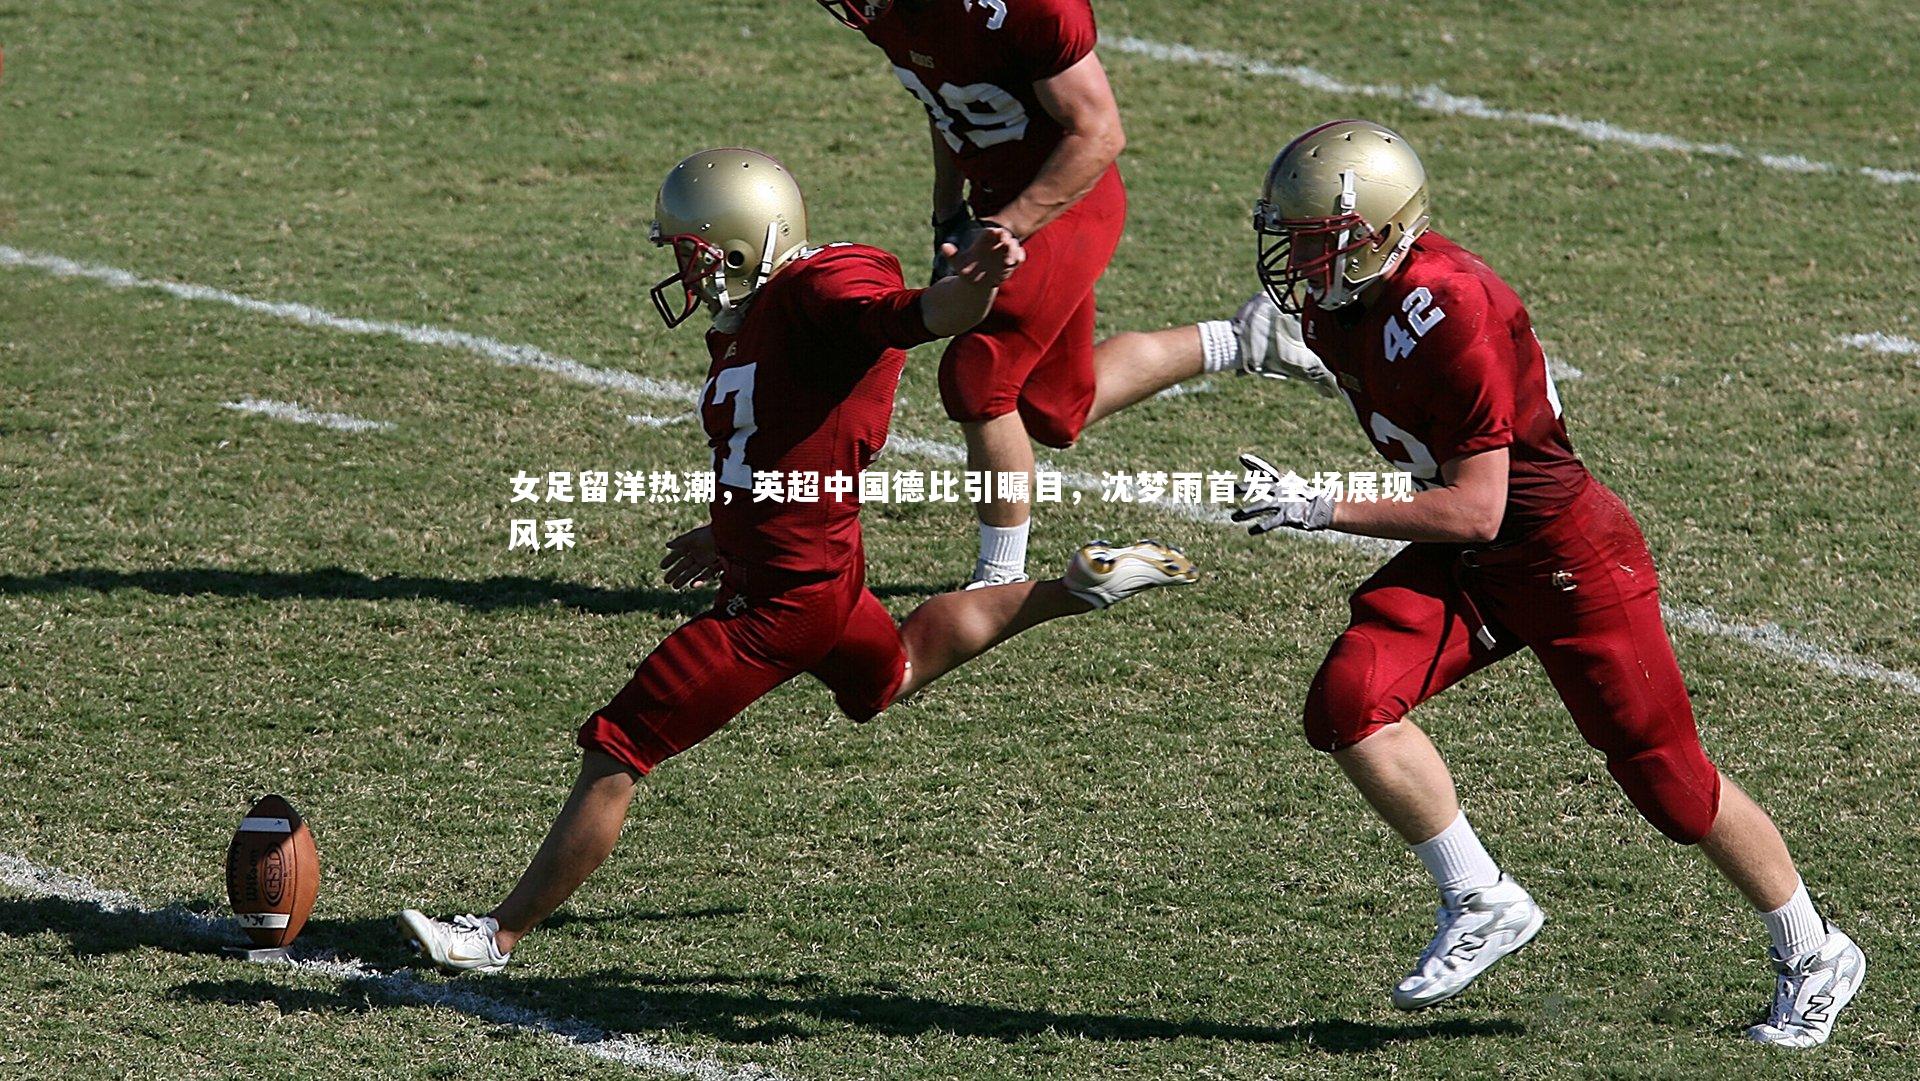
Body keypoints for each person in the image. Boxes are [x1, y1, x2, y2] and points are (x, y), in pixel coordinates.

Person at [398, 148, 1197, 972]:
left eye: (694, 250)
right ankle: (1077, 587)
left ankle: (494, 935)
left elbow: (917, 314)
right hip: (823, 573)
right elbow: (791, 433)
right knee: (891, 674)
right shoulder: (765, 314)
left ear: (746, 243)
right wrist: (732, 528)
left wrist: (975, 287)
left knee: (621, 744)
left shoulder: (821, 290)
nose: (684, 268)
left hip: (776, 606)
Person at [1231, 120, 1863, 1048]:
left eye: (1317, 238)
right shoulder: (1340, 301)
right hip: (1480, 557)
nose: (1298, 258)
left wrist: (1323, 507)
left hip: (1562, 552)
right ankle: (1480, 896)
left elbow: (1478, 507)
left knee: (1669, 783)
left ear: (1379, 232)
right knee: (1350, 699)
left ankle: (1814, 949)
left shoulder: (1454, 308)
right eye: (1291, 235)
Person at [817, 0, 1326, 587]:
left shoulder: (1025, 9)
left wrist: (1009, 224)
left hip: (1068, 205)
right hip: (998, 206)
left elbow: (1100, 132)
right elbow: (948, 106)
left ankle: (999, 577)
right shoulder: (893, 15)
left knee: (977, 375)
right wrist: (948, 210)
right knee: (1058, 409)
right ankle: (1249, 339)